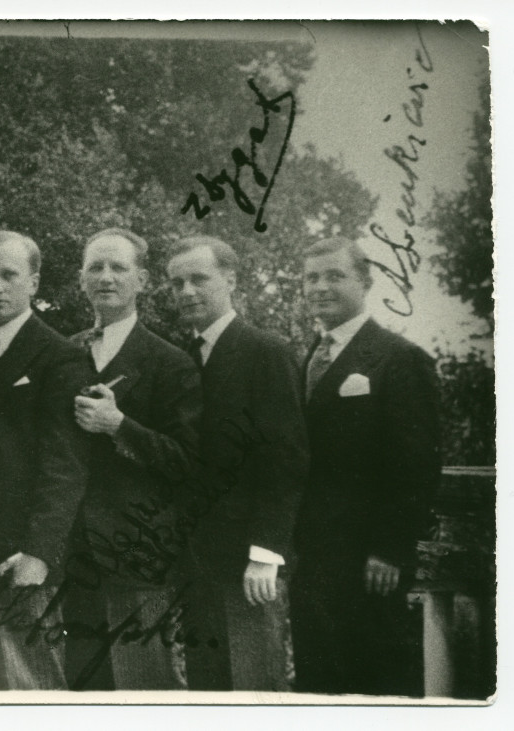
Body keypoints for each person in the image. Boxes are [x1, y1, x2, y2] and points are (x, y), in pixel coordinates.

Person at [291, 236, 441, 696]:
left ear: (366, 282)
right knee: (320, 682)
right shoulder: (306, 360)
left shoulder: (400, 359)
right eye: (311, 277)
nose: (320, 287)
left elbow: (416, 464)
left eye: (334, 275)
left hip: (368, 562)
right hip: (311, 556)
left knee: (374, 683)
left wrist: (390, 548)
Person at [165, 235, 308, 691]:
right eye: (176, 283)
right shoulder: (182, 358)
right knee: (207, 689)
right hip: (195, 559)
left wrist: (266, 552)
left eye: (199, 279)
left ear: (230, 279)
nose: (186, 292)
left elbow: (285, 458)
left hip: (248, 563)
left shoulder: (265, 352)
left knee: (254, 686)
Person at [64, 228, 201, 690]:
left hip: (137, 552)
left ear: (141, 279)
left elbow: (186, 461)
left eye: (118, 267)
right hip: (70, 551)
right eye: (95, 267)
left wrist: (118, 425)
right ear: (81, 279)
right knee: (83, 685)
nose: (105, 277)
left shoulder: (171, 362)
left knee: (144, 687)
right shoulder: (64, 351)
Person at [0, 229, 91, 690]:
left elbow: (65, 466)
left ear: (33, 283)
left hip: (25, 559)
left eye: (8, 275)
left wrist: (40, 552)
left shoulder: (60, 356)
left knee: (33, 688)